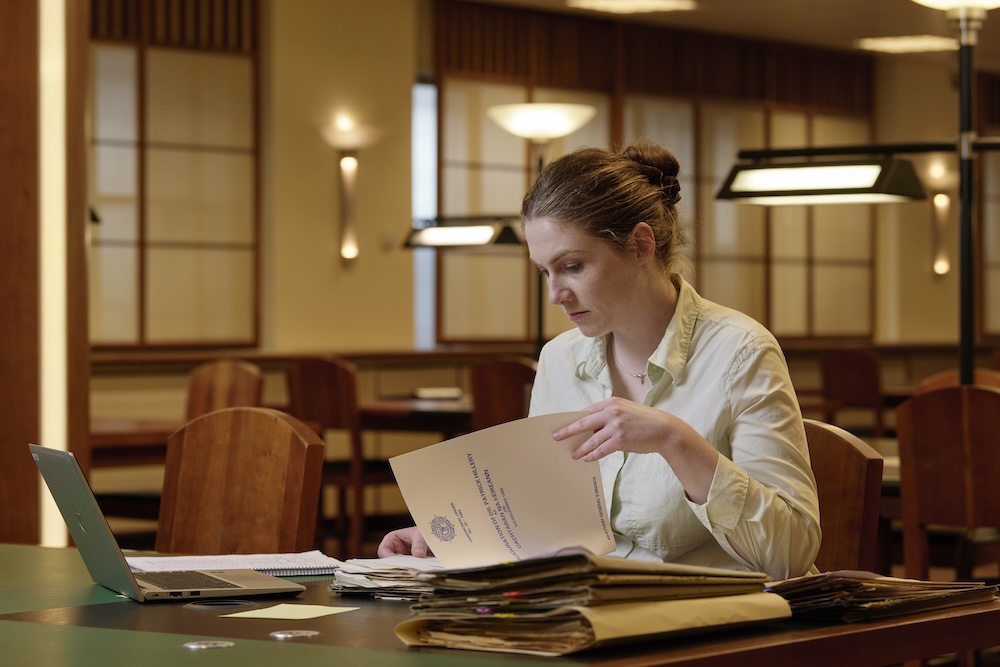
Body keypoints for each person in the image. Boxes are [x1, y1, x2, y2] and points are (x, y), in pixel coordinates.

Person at [378, 140, 820, 581]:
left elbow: (790, 555)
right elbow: (541, 515)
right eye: (545, 271)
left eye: (572, 266)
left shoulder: (740, 351)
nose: (555, 294)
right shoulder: (560, 359)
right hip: (584, 607)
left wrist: (675, 440)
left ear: (640, 245)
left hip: (705, 622)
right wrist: (456, 535)